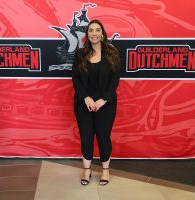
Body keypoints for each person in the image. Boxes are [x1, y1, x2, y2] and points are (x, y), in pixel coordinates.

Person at [71, 19, 121, 186]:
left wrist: (103, 99)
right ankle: (87, 170)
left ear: (102, 33)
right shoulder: (80, 54)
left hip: (106, 105)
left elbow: (115, 80)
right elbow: (75, 79)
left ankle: (105, 170)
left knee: (103, 137)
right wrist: (85, 97)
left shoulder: (112, 53)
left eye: (97, 30)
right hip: (83, 104)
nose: (94, 33)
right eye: (91, 30)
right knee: (86, 137)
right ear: (87, 34)